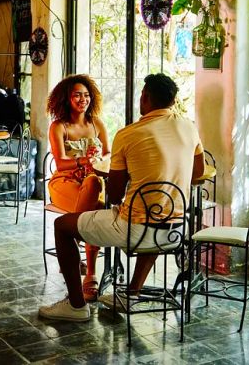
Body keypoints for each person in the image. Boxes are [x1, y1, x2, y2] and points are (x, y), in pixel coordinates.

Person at [39, 73, 204, 322]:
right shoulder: (189, 127)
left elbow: (114, 195)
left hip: (133, 230)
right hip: (175, 230)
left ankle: (75, 306)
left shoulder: (128, 134)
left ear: (145, 98)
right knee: (155, 213)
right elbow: (198, 172)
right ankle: (131, 293)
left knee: (62, 226)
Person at [46, 74, 111, 302]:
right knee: (98, 209)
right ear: (66, 98)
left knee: (95, 189)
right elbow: (61, 162)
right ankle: (90, 273)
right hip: (64, 182)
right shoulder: (59, 126)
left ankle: (71, 246)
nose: (83, 99)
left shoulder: (97, 124)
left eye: (86, 95)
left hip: (90, 183)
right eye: (77, 95)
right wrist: (84, 161)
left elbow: (108, 155)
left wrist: (96, 161)